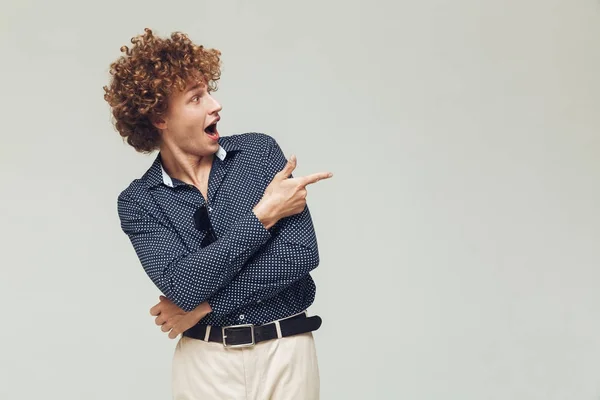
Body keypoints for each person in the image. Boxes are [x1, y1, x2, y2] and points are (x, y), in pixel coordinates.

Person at [103, 28, 332, 399]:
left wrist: (204, 307)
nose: (216, 105)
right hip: (205, 364)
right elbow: (182, 285)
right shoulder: (140, 202)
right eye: (197, 98)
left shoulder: (259, 155)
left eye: (209, 91)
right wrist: (263, 216)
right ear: (160, 117)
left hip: (286, 351)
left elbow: (298, 255)